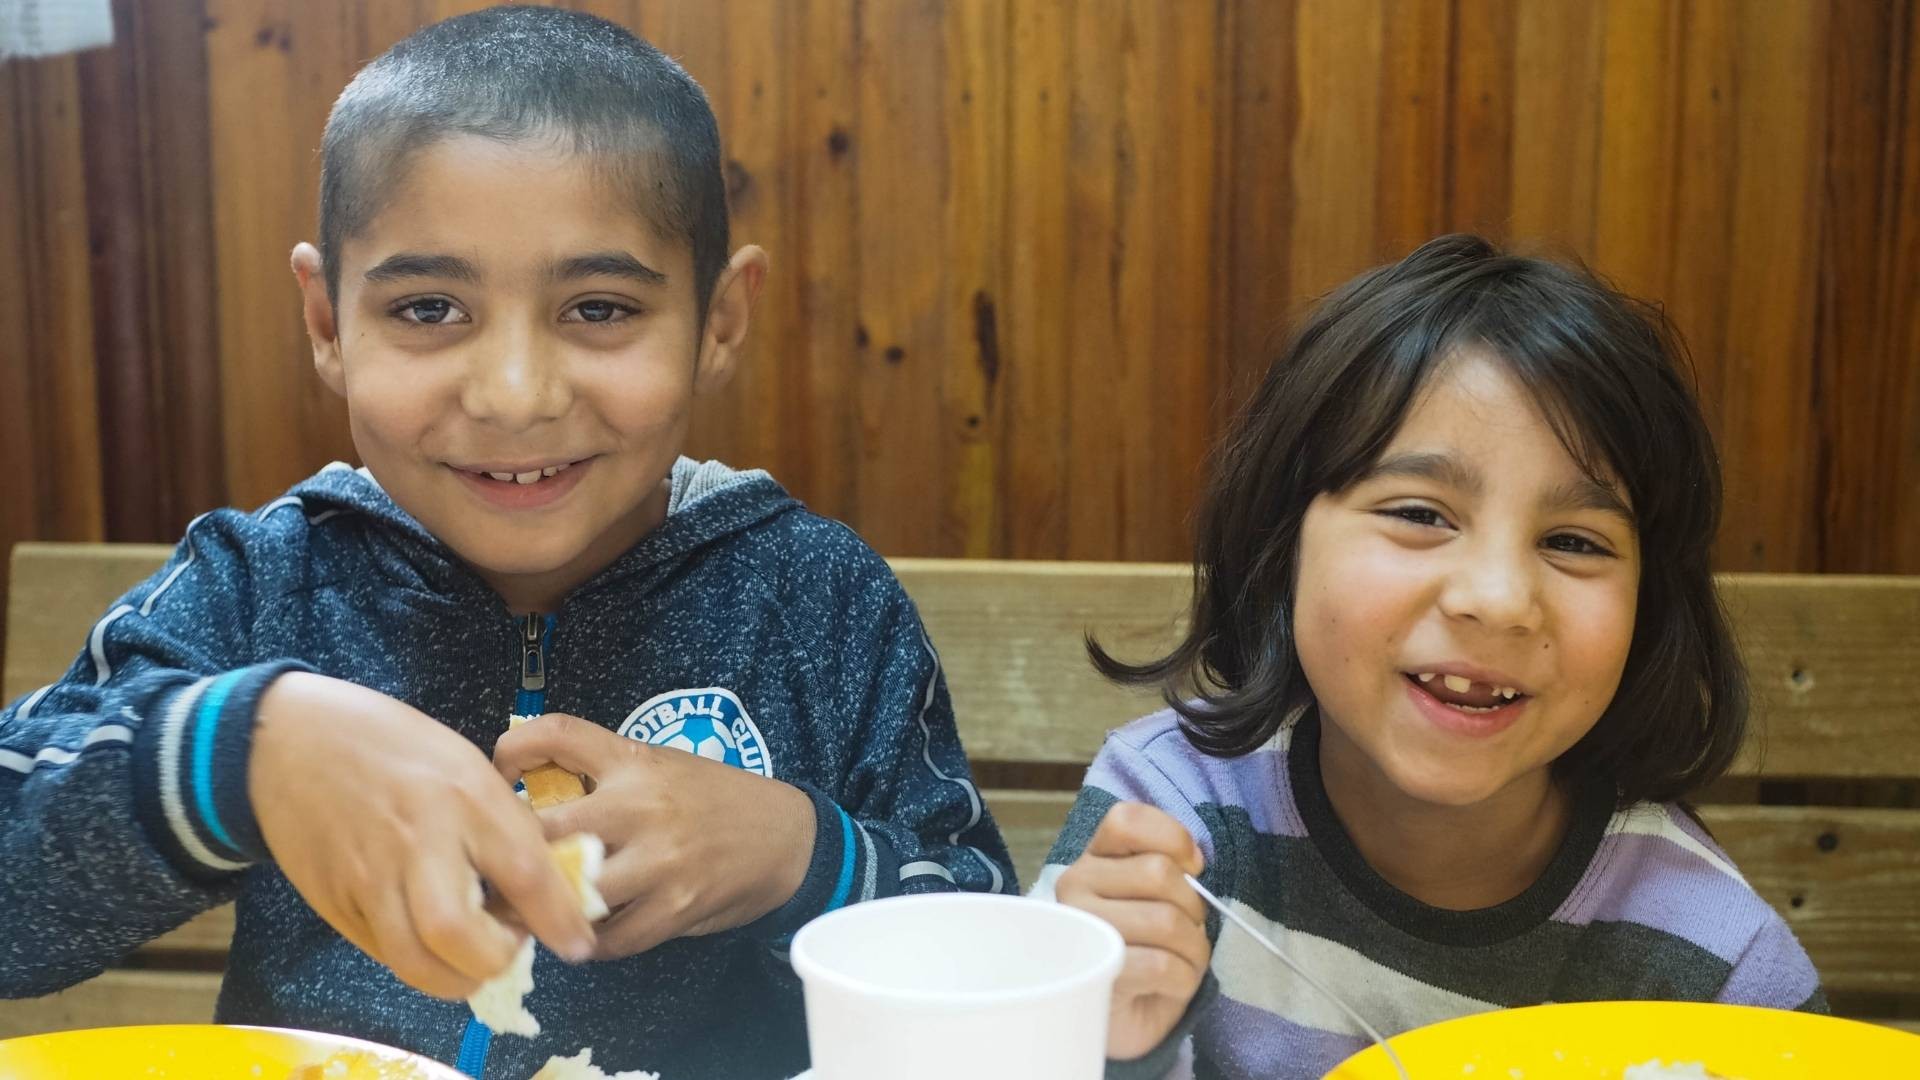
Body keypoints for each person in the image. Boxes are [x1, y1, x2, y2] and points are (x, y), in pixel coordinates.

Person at [0, 7, 1012, 1078]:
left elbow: (996, 960)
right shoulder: (261, 587)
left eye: (600, 307)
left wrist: (806, 858)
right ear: (327, 323)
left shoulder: (817, 602)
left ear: (719, 322)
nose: (515, 395)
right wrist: (230, 757)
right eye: (430, 308)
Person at [1034, 235, 1822, 1079]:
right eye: (1420, 512)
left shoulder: (1706, 952)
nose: (1496, 598)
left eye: (1573, 540)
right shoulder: (1173, 822)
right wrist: (1109, 1039)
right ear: (1281, 546)